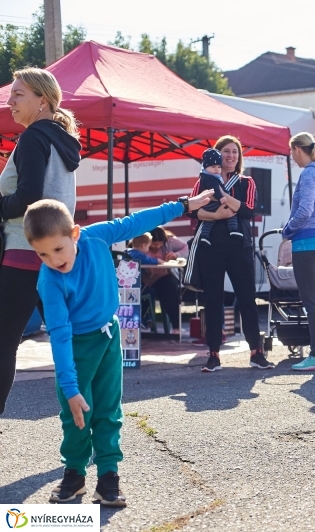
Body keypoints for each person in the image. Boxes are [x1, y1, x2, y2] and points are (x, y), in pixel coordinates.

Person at [24, 191, 212, 505]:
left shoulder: (97, 238)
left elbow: (139, 221)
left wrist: (182, 205)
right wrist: (70, 389)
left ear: (74, 234)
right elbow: (58, 333)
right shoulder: (50, 281)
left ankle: (109, 477)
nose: (54, 260)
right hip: (74, 346)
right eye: (43, 255)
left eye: (58, 249)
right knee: (77, 414)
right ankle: (75, 473)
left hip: (109, 337)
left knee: (109, 409)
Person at [0, 67, 80, 415]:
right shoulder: (62, 141)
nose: (10, 100)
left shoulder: (34, 137)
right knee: (71, 342)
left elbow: (29, 196)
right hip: (57, 256)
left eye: (18, 94)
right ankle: (95, 424)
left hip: (23, 251)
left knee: (3, 341)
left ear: (42, 99)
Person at [187, 135, 272, 372]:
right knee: (213, 300)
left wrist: (225, 198)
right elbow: (193, 211)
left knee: (247, 298)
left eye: (235, 151)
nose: (231, 156)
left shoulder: (247, 182)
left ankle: (256, 352)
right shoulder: (203, 180)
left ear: (239, 156)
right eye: (226, 151)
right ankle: (213, 353)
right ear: (218, 154)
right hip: (211, 246)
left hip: (239, 246)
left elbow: (247, 211)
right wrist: (216, 215)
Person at [283, 132, 315, 371]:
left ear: (296, 150)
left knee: (312, 301)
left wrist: (288, 230)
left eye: (291, 152)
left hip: (306, 244)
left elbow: (304, 210)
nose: (292, 158)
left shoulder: (308, 174)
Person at [143, 226, 188, 335]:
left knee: (170, 288)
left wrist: (176, 255)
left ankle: (177, 326)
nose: (157, 246)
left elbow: (186, 247)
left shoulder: (170, 241)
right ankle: (145, 322)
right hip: (145, 279)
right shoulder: (142, 243)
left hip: (163, 277)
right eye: (154, 244)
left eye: (160, 244)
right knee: (143, 292)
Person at [196, 148, 242, 245]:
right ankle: (233, 229)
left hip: (208, 205)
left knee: (208, 222)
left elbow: (249, 211)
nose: (216, 169)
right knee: (231, 213)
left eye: (218, 167)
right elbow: (216, 189)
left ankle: (204, 236)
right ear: (205, 167)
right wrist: (222, 198)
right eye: (213, 166)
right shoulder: (210, 178)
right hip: (214, 203)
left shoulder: (208, 177)